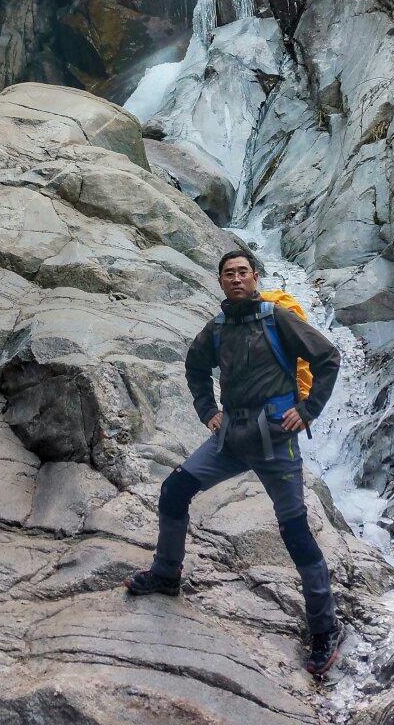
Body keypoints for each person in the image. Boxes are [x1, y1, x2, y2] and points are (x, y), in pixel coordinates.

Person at [125, 247, 344, 676]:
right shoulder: (218, 327)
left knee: (295, 530)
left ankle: (325, 627)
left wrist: (308, 410)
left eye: (243, 271)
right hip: (231, 438)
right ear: (221, 282)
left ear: (255, 277)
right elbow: (195, 367)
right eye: (229, 273)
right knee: (174, 490)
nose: (237, 278)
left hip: (276, 442)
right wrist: (207, 410)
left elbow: (327, 357)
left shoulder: (277, 319)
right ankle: (166, 575)